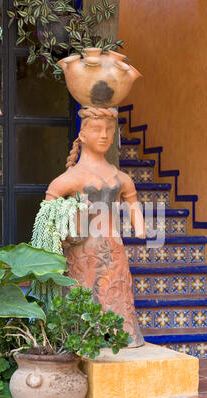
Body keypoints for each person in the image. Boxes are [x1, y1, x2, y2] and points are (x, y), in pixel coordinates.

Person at [45, 107, 145, 347]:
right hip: (82, 251)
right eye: (97, 129)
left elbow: (137, 216)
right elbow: (48, 213)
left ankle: (119, 337)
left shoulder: (121, 177)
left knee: (115, 294)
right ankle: (84, 338)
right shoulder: (72, 178)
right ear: (82, 134)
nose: (104, 135)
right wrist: (65, 222)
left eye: (109, 131)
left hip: (114, 252)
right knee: (84, 293)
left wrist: (140, 228)